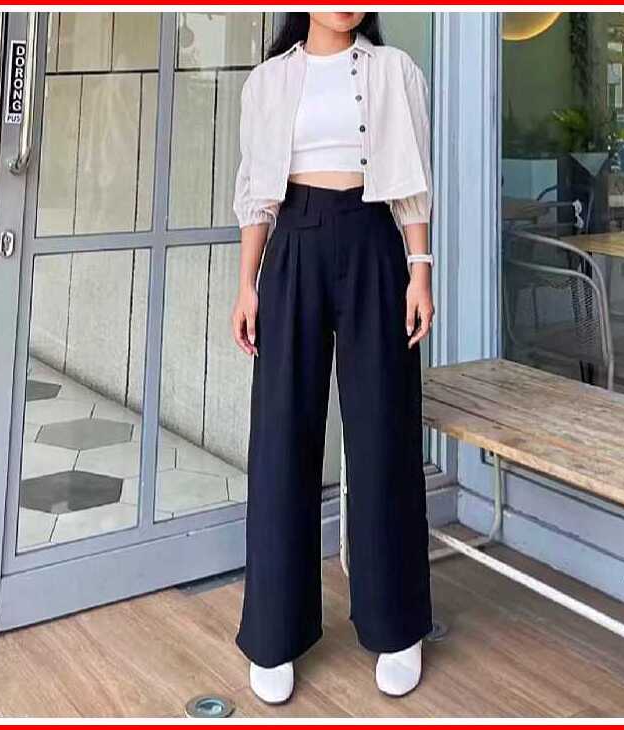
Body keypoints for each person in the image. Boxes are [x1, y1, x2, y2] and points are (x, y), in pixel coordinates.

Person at [231, 11, 435, 704]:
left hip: (373, 241)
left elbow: (410, 179)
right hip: (294, 243)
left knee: (383, 430)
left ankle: (397, 626)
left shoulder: (394, 71)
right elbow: (257, 193)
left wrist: (420, 270)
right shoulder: (267, 81)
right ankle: (274, 632)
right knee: (282, 434)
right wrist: (247, 285)